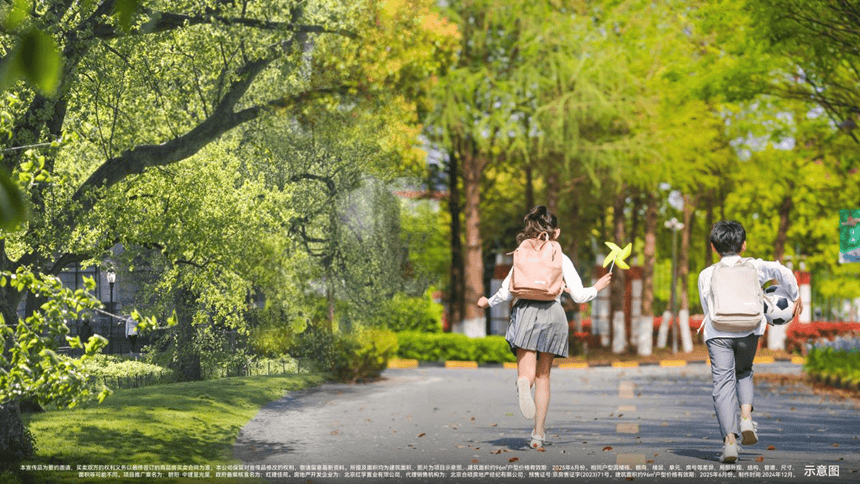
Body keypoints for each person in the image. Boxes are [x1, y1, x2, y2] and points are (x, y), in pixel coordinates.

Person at [477, 206, 612, 449]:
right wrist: (598, 287)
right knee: (544, 376)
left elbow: (508, 289)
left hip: (526, 312)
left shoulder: (522, 253)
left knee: (526, 373)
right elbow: (580, 296)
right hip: (552, 314)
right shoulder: (560, 256)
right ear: (556, 232)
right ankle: (538, 434)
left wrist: (488, 301)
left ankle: (522, 384)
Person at [698, 220, 802, 463]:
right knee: (744, 371)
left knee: (722, 384)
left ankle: (730, 443)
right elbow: (782, 271)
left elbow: (707, 308)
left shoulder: (706, 274)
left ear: (714, 247)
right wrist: (795, 296)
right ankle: (746, 417)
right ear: (743, 245)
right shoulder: (755, 267)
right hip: (749, 331)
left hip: (718, 334)